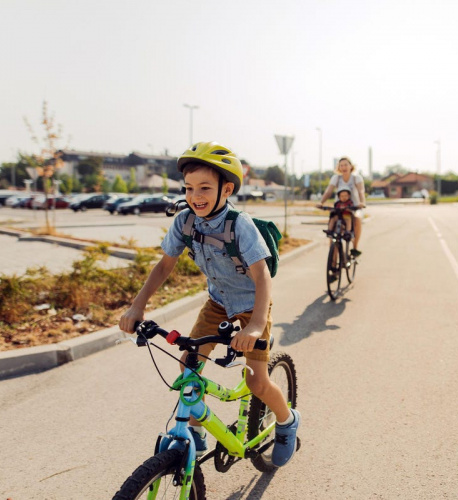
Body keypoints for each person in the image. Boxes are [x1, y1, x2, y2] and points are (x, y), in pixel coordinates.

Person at [119, 141, 300, 467]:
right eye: (189, 188)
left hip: (250, 304)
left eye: (204, 188)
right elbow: (163, 267)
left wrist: (256, 324)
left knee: (255, 381)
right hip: (217, 302)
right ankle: (198, 433)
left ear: (226, 189)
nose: (195, 196)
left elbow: (262, 277)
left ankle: (287, 422)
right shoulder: (185, 221)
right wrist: (137, 307)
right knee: (188, 365)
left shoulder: (239, 225)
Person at [317, 156, 366, 256]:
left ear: (350, 166)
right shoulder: (336, 178)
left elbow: (361, 191)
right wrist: (321, 202)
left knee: (357, 219)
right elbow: (328, 191)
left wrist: (362, 202)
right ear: (339, 168)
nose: (343, 167)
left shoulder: (356, 178)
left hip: (354, 207)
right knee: (333, 232)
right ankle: (333, 260)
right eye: (341, 165)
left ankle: (355, 248)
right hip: (339, 207)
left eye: (346, 165)